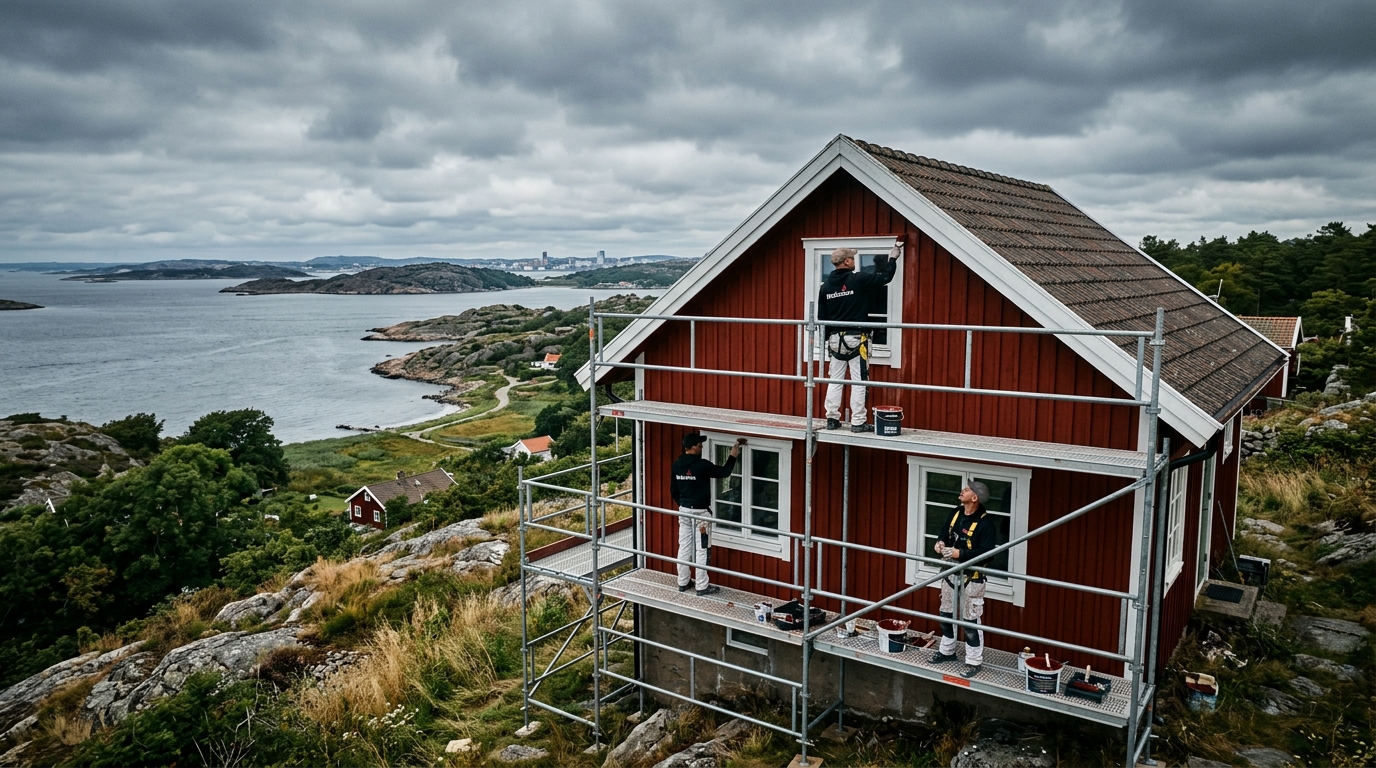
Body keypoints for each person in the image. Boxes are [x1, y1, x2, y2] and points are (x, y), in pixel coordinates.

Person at [818, 240, 901, 432]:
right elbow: (884, 278)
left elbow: (822, 317)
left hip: (835, 340)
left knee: (835, 380)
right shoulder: (858, 279)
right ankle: (858, 422)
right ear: (846, 262)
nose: (855, 261)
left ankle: (831, 419)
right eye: (852, 258)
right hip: (857, 338)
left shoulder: (826, 286)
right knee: (858, 380)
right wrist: (893, 258)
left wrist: (827, 342)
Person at [931, 481, 996, 677]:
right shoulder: (956, 513)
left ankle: (974, 661)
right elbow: (944, 532)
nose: (962, 491)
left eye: (967, 490)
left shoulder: (986, 525)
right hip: (950, 572)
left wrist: (960, 554)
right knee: (945, 614)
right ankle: (947, 650)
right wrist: (940, 543)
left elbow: (987, 554)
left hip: (973, 577)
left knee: (970, 619)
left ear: (974, 498)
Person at [670, 432, 746, 596]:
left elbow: (673, 490)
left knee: (684, 547)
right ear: (692, 448)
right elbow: (724, 472)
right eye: (699, 444)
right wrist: (733, 454)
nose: (702, 446)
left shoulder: (677, 465)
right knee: (702, 549)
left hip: (684, 512)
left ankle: (683, 582)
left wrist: (683, 504)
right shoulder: (701, 465)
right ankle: (702, 586)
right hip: (701, 514)